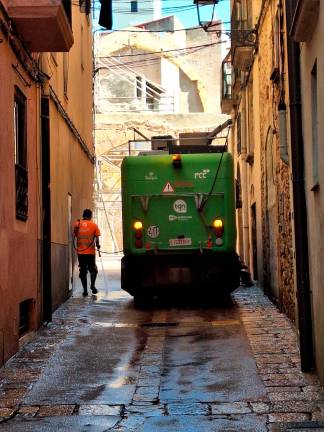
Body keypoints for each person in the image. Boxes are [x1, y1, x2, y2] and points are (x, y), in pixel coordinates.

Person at [73, 209, 101, 296]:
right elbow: (97, 238)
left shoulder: (77, 224)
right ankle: (92, 285)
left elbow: (76, 235)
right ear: (90, 216)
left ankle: (85, 291)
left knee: (83, 271)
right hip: (90, 253)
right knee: (93, 269)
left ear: (83, 215)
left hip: (81, 253)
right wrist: (98, 245)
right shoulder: (94, 225)